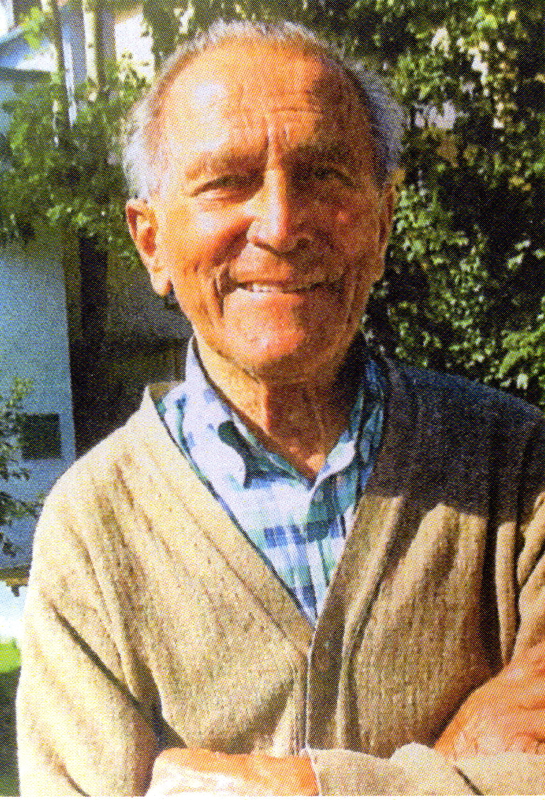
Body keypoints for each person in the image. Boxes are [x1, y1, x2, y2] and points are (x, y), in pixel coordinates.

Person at [16, 19, 545, 796]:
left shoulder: (516, 467)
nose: (281, 224)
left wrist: (289, 785)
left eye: (323, 175)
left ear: (382, 223)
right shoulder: (92, 530)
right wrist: (454, 771)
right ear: (151, 241)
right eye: (226, 182)